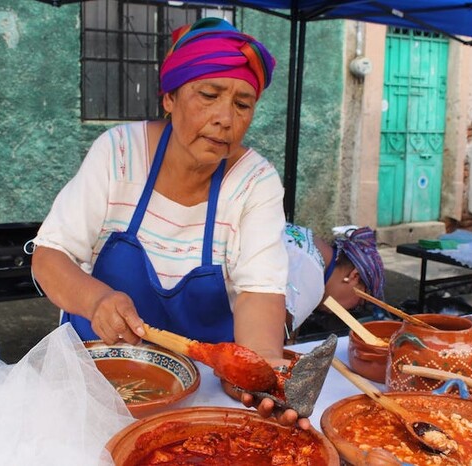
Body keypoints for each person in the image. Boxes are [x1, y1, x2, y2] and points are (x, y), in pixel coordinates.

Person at [31, 18, 304, 425]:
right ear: (170, 97)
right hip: (94, 383)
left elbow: (258, 293)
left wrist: (263, 376)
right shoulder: (118, 154)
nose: (225, 118)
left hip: (199, 398)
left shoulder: (255, 183)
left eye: (242, 104)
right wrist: (97, 301)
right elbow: (49, 258)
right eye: (208, 95)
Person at [283, 224, 385, 334]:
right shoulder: (312, 279)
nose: (348, 310)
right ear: (354, 276)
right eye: (359, 304)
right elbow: (269, 340)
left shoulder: (308, 239)